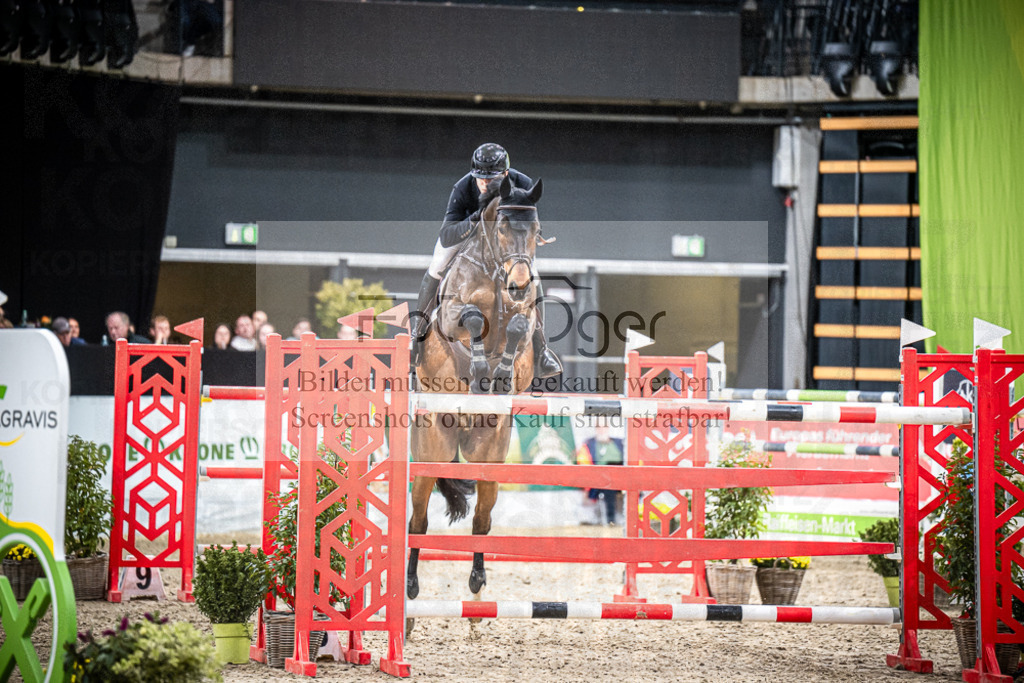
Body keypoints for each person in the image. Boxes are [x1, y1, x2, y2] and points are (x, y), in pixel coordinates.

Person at [411, 143, 561, 379]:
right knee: (438, 264)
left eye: (491, 178)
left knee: (532, 272)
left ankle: (542, 347)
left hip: (507, 243)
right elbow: (446, 234)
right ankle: (417, 335)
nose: (484, 183)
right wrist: (475, 220)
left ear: (505, 174)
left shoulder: (522, 183)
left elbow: (530, 223)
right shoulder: (462, 188)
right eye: (480, 177)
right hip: (466, 236)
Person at [577, 422, 625, 526]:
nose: (602, 429)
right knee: (609, 487)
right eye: (599, 427)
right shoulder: (589, 444)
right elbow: (583, 462)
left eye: (604, 426)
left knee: (633, 487)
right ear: (596, 429)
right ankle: (610, 521)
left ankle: (632, 519)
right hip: (601, 477)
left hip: (621, 475)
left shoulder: (619, 443)